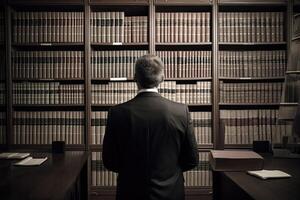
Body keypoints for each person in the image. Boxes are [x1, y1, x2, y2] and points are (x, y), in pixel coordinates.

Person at [102, 54, 199, 200]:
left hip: (130, 193)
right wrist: (169, 172)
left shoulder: (116, 113)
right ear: (162, 78)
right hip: (171, 193)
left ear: (135, 78)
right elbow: (192, 159)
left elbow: (110, 161)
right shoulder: (181, 112)